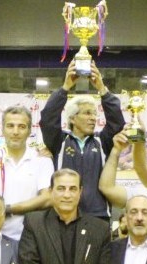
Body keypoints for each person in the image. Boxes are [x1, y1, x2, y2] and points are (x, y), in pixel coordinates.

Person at [40, 59, 125, 219]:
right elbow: (48, 119)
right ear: (72, 118)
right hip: (63, 215)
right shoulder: (59, 141)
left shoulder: (103, 141)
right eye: (87, 113)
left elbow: (117, 122)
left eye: (94, 114)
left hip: (98, 215)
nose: (93, 118)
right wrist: (65, 87)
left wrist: (102, 89)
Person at [0, 105, 53, 239]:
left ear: (29, 131)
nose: (15, 132)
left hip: (29, 239)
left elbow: (47, 198)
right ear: (2, 129)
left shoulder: (42, 161)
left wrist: (8, 209)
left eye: (21, 127)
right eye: (10, 126)